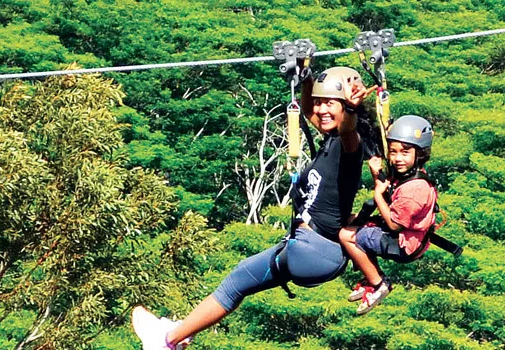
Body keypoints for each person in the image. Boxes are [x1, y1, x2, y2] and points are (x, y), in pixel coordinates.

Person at [131, 67, 372, 350]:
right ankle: (173, 338)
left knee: (239, 280)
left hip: (314, 248)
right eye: (319, 102)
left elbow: (348, 131)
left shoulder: (349, 145)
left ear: (347, 107)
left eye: (329, 103)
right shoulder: (331, 141)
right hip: (313, 249)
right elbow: (310, 112)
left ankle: (166, 340)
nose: (320, 110)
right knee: (238, 279)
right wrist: (307, 76)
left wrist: (352, 110)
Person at [337, 115, 438, 315]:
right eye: (393, 152)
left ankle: (378, 283)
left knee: (346, 235)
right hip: (405, 235)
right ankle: (371, 275)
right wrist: (377, 173)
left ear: (419, 154)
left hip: (404, 243)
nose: (397, 158)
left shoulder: (415, 188)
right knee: (352, 221)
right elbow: (388, 189)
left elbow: (393, 224)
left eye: (405, 152)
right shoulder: (407, 175)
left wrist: (377, 193)